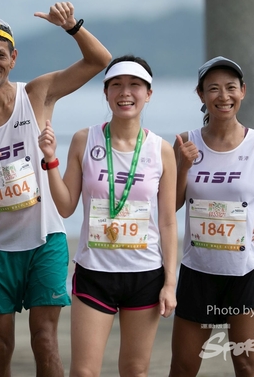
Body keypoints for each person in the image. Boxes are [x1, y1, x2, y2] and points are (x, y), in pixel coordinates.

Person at [0, 1, 111, 377]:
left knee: (45, 339)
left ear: (13, 58)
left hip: (45, 240)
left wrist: (71, 27)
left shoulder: (37, 94)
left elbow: (99, 60)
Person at [38, 55, 178, 377]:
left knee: (135, 371)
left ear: (148, 93)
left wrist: (170, 282)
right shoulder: (84, 140)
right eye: (116, 84)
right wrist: (50, 161)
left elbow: (168, 222)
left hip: (145, 273)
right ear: (105, 92)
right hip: (95, 272)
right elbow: (65, 206)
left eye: (135, 85)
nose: (125, 92)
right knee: (83, 372)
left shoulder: (161, 150)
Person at [168, 56, 254, 377]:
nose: (223, 96)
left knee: (246, 364)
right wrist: (184, 167)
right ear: (201, 94)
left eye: (231, 87)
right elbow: (172, 206)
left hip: (245, 271)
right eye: (213, 88)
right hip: (198, 270)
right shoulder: (186, 142)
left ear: (243, 91)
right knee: (183, 367)